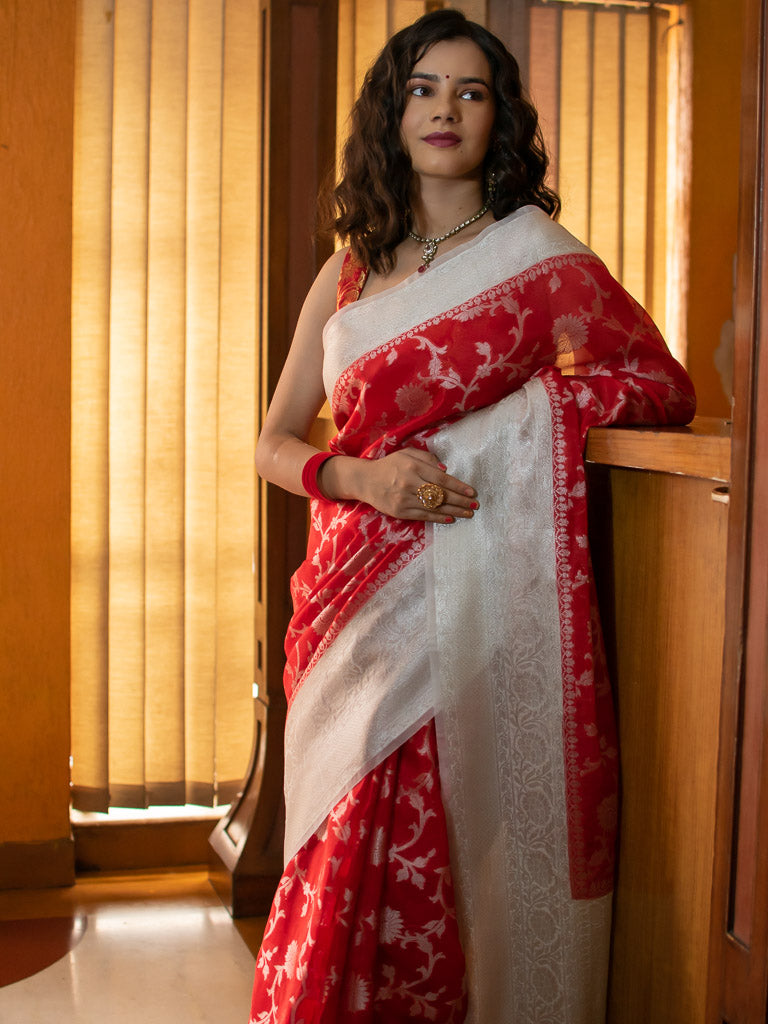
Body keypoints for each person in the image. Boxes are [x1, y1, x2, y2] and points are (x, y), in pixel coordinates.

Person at [249, 10, 695, 1024]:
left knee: (451, 837)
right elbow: (273, 442)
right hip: (349, 606)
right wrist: (365, 481)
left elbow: (654, 381)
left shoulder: (534, 256)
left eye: (471, 91)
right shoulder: (349, 270)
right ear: (391, 111)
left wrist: (500, 429)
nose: (445, 110)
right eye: (423, 89)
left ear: (500, 119)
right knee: (339, 831)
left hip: (476, 595)